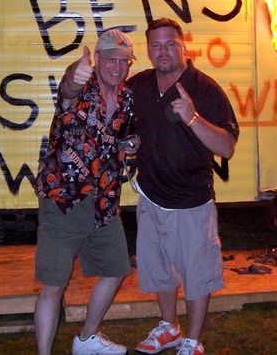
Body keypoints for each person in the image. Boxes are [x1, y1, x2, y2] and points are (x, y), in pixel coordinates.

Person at [129, 18, 239, 355]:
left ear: (183, 46)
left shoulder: (205, 89)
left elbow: (226, 147)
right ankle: (169, 328)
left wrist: (192, 117)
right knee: (159, 269)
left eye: (169, 44)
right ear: (149, 50)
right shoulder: (139, 86)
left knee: (197, 273)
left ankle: (192, 340)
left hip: (192, 200)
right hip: (150, 195)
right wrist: (127, 144)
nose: (162, 51)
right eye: (156, 45)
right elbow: (122, 123)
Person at [34, 29, 137, 355]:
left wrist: (130, 145)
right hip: (64, 199)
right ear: (98, 59)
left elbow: (122, 136)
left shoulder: (126, 98)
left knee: (117, 269)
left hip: (104, 200)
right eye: (110, 60)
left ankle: (87, 338)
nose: (117, 67)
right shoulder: (80, 89)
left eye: (124, 61)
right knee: (53, 285)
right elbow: (67, 89)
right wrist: (73, 77)